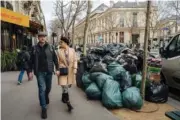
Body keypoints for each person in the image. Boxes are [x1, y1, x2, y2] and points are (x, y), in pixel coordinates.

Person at [30, 32, 59, 119]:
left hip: (49, 71)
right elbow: (31, 60)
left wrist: (57, 69)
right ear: (38, 38)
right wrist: (30, 71)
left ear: (46, 38)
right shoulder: (34, 48)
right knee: (42, 89)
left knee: (48, 88)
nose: (42, 38)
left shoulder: (50, 47)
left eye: (44, 37)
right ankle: (44, 108)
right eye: (40, 37)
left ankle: (46, 96)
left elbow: (55, 59)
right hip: (39, 72)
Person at [56, 36, 77, 112]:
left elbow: (75, 60)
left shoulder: (72, 50)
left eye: (61, 42)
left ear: (65, 43)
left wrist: (75, 68)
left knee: (66, 86)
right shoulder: (58, 51)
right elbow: (57, 62)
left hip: (70, 71)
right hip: (63, 70)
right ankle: (68, 103)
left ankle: (63, 96)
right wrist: (58, 68)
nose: (60, 43)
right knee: (64, 86)